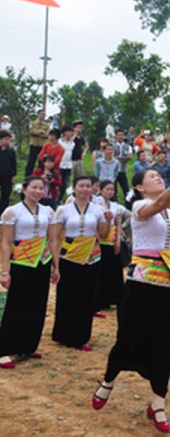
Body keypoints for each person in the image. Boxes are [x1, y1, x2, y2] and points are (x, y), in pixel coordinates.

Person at [92, 162, 170, 433]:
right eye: (153, 176)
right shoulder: (140, 207)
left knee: (164, 344)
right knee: (127, 337)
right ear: (139, 187)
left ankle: (158, 403)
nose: (159, 178)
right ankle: (108, 380)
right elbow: (158, 204)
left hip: (167, 285)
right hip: (141, 284)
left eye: (161, 176)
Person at [0, 176, 60, 368]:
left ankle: (28, 345)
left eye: (41, 188)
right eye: (34, 187)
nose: (37, 191)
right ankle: (6, 349)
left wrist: (55, 266)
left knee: (37, 305)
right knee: (17, 305)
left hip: (42, 262)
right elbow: (6, 242)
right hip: (22, 262)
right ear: (24, 189)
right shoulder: (12, 212)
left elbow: (52, 240)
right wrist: (4, 271)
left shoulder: (48, 211)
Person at [52, 176, 112, 350]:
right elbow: (55, 238)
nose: (85, 189)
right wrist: (55, 264)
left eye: (88, 186)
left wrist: (107, 220)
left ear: (93, 189)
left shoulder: (98, 209)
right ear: (74, 188)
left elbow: (103, 234)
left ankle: (81, 337)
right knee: (66, 295)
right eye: (81, 186)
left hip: (91, 256)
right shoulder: (63, 210)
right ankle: (62, 333)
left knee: (87, 296)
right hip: (69, 255)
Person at [93, 181, 124, 317]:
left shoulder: (115, 206)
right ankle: (99, 300)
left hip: (111, 239)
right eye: (107, 189)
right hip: (100, 239)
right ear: (100, 190)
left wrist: (118, 241)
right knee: (101, 272)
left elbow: (118, 223)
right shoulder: (96, 204)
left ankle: (113, 298)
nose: (110, 192)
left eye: (112, 190)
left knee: (113, 271)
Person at [26, 110, 49, 177]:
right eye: (42, 114)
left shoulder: (46, 125)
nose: (43, 116)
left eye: (44, 115)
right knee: (31, 160)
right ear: (38, 114)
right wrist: (41, 131)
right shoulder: (32, 123)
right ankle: (28, 175)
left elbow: (46, 134)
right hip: (34, 144)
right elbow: (32, 132)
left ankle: (40, 175)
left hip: (42, 145)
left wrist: (38, 133)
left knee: (41, 161)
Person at [113, 129, 133, 199]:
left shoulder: (128, 146)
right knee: (113, 190)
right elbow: (111, 157)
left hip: (123, 170)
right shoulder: (112, 146)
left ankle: (128, 205)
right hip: (114, 171)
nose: (120, 136)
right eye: (119, 135)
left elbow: (130, 157)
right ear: (116, 136)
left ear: (124, 136)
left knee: (126, 189)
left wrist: (118, 158)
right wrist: (125, 158)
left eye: (122, 135)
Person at [0, 130, 16, 214]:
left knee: (5, 196)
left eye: (9, 139)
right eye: (6, 139)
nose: (8, 141)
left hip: (7, 176)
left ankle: (2, 213)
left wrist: (14, 175)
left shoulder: (11, 151)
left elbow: (14, 164)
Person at [58, 126, 75, 203]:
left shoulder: (72, 143)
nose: (70, 133)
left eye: (71, 132)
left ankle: (60, 198)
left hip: (68, 165)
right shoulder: (59, 142)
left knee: (65, 182)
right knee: (58, 181)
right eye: (68, 131)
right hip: (60, 164)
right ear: (64, 133)